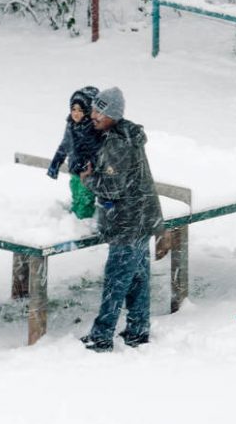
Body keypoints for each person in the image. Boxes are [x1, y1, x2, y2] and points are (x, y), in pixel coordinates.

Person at [80, 86, 163, 351]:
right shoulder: (125, 134)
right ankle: (138, 330)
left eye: (98, 111)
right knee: (137, 278)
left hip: (127, 222)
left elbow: (112, 188)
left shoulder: (117, 143)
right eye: (93, 108)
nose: (93, 114)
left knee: (116, 281)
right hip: (142, 218)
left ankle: (102, 335)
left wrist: (89, 179)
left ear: (112, 114)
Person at [46, 84, 102, 219]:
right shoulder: (71, 125)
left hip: (88, 173)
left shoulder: (93, 128)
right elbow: (64, 145)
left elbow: (98, 151)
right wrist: (55, 164)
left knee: (85, 198)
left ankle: (84, 222)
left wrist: (90, 167)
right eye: (73, 109)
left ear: (88, 110)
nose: (76, 113)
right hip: (74, 169)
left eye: (80, 110)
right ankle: (76, 218)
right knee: (76, 194)